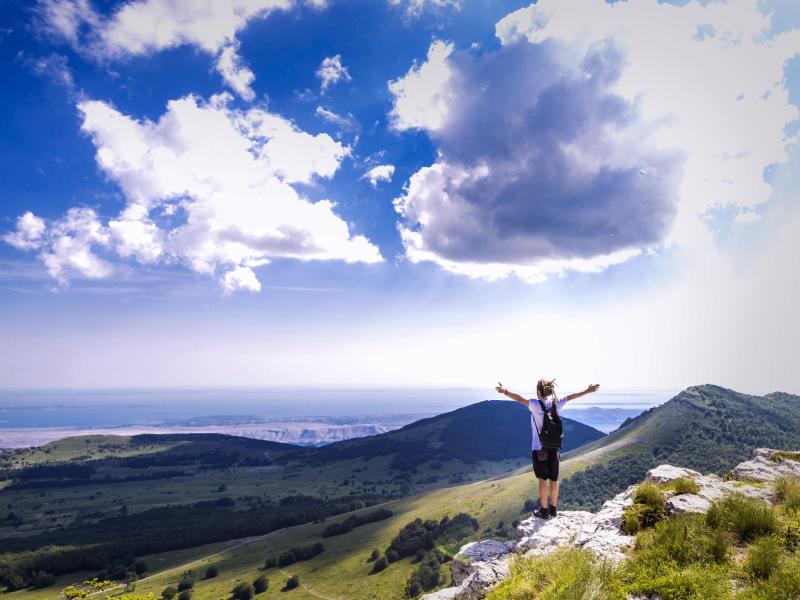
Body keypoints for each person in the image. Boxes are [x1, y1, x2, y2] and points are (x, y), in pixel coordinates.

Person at [495, 379, 600, 518]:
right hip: (555, 448)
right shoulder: (556, 403)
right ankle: (554, 508)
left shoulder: (534, 404)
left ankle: (544, 510)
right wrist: (587, 391)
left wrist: (505, 391)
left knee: (542, 480)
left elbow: (519, 398)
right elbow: (570, 396)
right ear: (550, 390)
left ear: (539, 391)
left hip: (539, 449)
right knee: (554, 480)